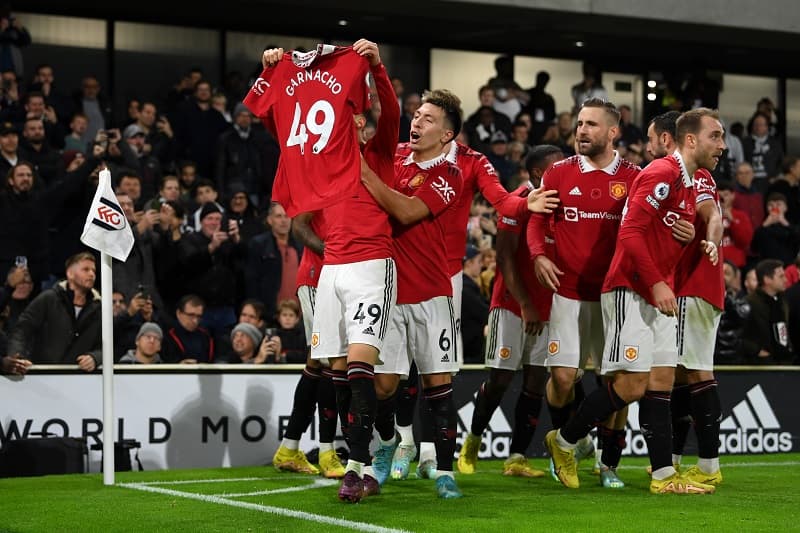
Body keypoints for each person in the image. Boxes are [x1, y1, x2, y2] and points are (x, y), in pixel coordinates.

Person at [545, 107, 726, 495]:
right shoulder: (661, 174)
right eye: (716, 136)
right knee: (630, 386)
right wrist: (659, 283)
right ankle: (563, 441)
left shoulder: (689, 183)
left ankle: (663, 476)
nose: (723, 145)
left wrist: (682, 238)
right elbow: (629, 234)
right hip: (631, 288)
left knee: (660, 381)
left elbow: (659, 229)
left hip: (658, 291)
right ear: (689, 140)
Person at [262, 39, 398, 503]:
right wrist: (272, 73)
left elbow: (391, 114)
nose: (356, 119)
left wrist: (378, 70)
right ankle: (358, 453)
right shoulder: (320, 162)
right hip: (330, 272)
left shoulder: (380, 155)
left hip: (371, 266)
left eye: (360, 115)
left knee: (360, 368)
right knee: (336, 374)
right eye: (350, 114)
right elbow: (280, 127)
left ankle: (357, 467)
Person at [527, 98, 641, 489]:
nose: (581, 130)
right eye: (579, 123)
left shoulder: (634, 176)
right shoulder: (558, 174)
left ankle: (609, 464)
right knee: (562, 378)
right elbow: (536, 221)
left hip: (614, 297)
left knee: (617, 383)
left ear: (613, 132)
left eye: (591, 124)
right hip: (568, 292)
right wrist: (539, 255)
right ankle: (567, 450)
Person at [360, 88, 462, 499]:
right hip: (388, 291)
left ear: (447, 134)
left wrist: (365, 174)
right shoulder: (394, 155)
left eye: (428, 119)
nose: (417, 123)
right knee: (383, 387)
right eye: (416, 116)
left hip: (432, 293)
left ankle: (444, 472)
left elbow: (405, 211)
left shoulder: (448, 174)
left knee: (439, 386)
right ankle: (386, 443)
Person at [459, 145, 564, 479]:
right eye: (556, 167)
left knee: (535, 381)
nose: (564, 170)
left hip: (548, 308)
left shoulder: (563, 204)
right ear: (537, 175)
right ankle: (472, 441)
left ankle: (516, 457)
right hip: (512, 306)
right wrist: (526, 304)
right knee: (500, 380)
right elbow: (504, 258)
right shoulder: (516, 202)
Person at [650, 110, 725, 487]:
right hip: (695, 285)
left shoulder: (697, 176)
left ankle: (709, 465)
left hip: (694, 284)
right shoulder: (678, 179)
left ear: (669, 140)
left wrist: (710, 239)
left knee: (695, 370)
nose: (648, 148)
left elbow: (712, 213)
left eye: (652, 140)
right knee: (681, 371)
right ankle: (676, 457)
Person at [271, 210, 343, 479]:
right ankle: (327, 452)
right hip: (317, 277)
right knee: (330, 361)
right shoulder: (322, 182)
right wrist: (333, 253)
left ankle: (289, 448)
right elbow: (298, 226)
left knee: (316, 363)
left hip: (339, 280)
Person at [7, 252, 101, 371]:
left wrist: (96, 358)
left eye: (93, 270)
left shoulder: (99, 307)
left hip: (79, 379)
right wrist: (17, 358)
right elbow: (22, 330)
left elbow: (108, 345)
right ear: (70, 274)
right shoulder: (49, 298)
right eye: (86, 269)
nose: (92, 274)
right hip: (43, 376)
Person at [244, 201, 303, 323]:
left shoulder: (300, 246)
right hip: (269, 314)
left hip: (296, 314)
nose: (284, 220)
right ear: (270, 220)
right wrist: (258, 312)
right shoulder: (258, 244)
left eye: (287, 216)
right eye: (279, 216)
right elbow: (252, 280)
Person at [741, 259, 792, 364]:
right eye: (781, 276)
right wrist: (757, 350)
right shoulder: (748, 303)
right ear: (767, 279)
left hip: (784, 362)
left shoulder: (783, 301)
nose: (786, 280)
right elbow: (739, 335)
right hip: (760, 365)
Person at [160, 294, 214, 363]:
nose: (195, 321)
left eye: (198, 316)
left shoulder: (206, 336)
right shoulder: (166, 336)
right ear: (178, 313)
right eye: (191, 315)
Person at [460, 244, 489, 363]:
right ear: (469, 263)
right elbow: (485, 312)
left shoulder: (467, 286)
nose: (481, 265)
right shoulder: (465, 288)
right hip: (469, 353)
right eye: (478, 261)